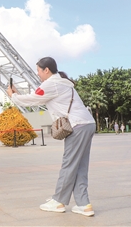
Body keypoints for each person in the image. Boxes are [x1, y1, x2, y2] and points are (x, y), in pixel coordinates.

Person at [6, 57, 96, 217]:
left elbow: (34, 99)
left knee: (69, 164)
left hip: (77, 125)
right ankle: (84, 204)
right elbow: (39, 98)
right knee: (80, 166)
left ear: (46, 70)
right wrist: (20, 96)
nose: (38, 75)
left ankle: (58, 201)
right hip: (87, 123)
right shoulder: (62, 82)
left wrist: (13, 97)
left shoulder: (51, 83)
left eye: (39, 71)